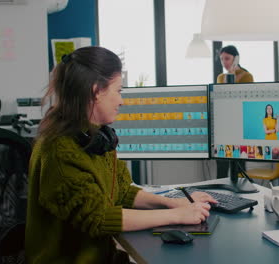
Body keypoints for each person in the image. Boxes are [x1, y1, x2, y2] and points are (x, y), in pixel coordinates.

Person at [25, 47, 217, 264]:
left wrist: (175, 203)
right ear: (96, 91)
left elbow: (123, 191)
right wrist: (176, 216)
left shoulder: (95, 137)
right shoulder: (60, 149)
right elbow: (99, 218)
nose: (122, 101)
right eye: (119, 90)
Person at [216, 45, 253, 179]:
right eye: (222, 59)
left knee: (238, 166)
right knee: (221, 165)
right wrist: (229, 75)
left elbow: (242, 100)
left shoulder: (247, 76)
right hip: (224, 126)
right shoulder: (221, 77)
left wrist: (233, 75)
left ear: (236, 59)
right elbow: (222, 99)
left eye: (227, 58)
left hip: (239, 126)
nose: (224, 62)